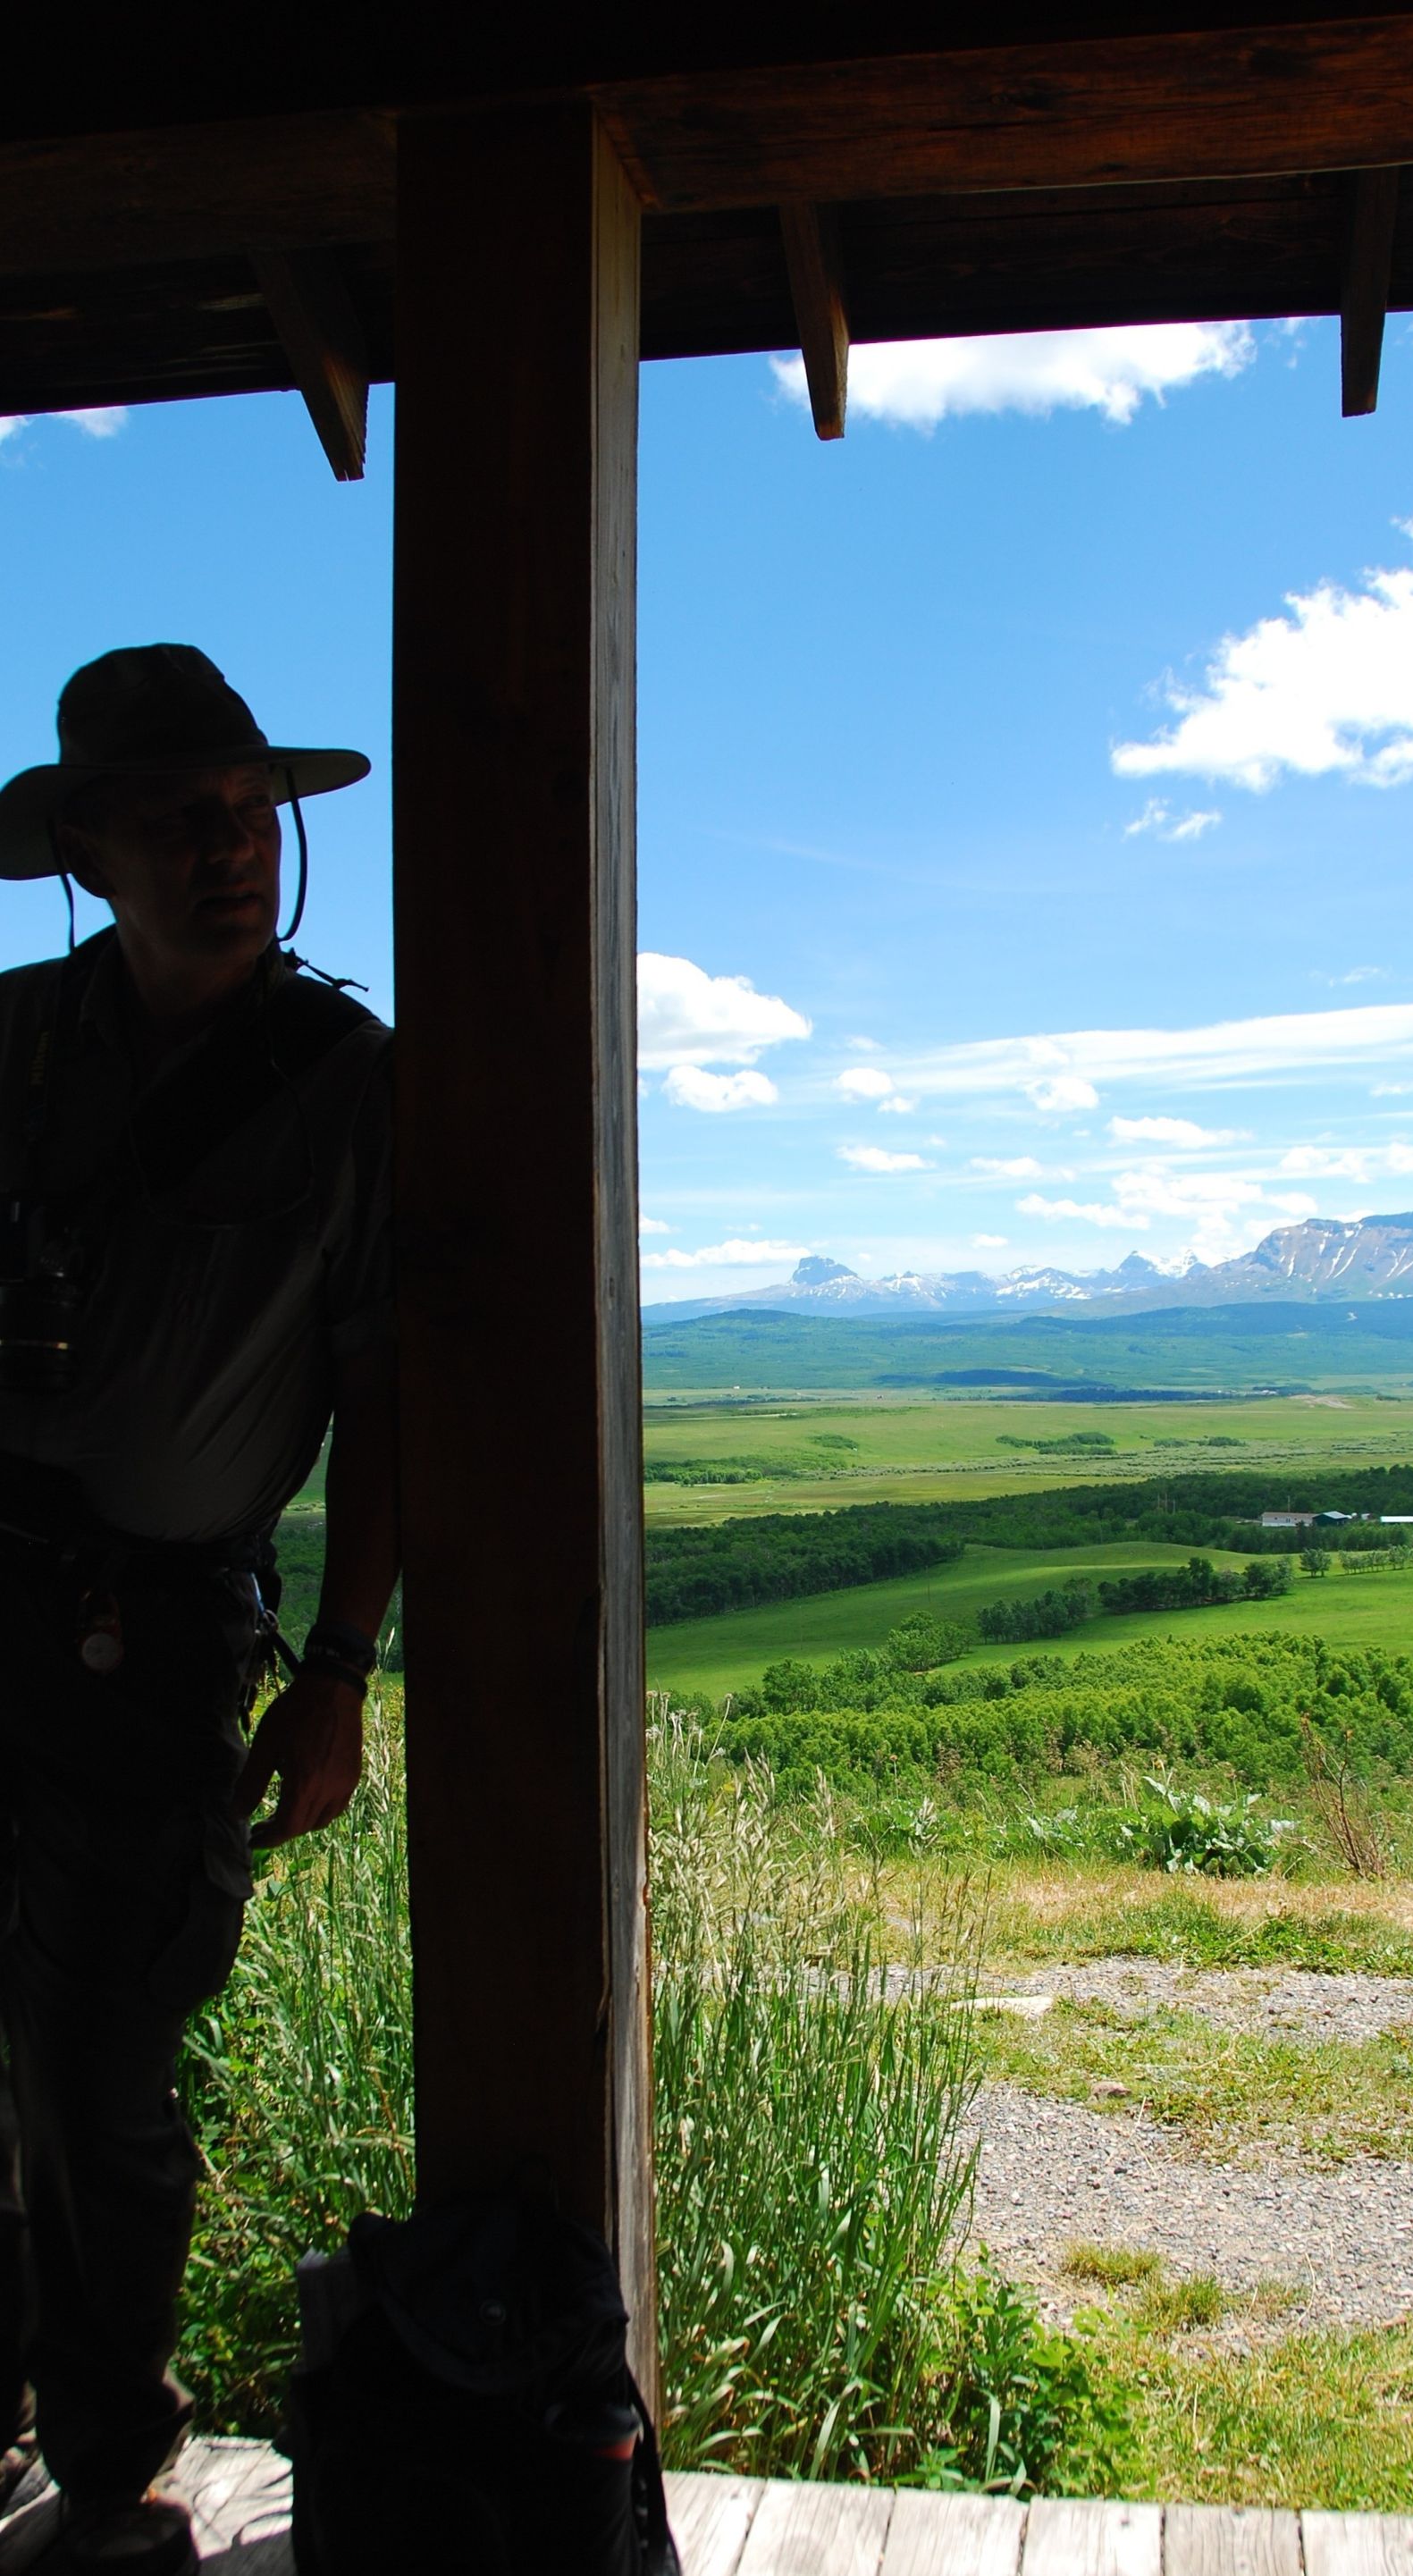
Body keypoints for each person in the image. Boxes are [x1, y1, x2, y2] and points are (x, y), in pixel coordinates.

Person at [0, 644, 398, 2575]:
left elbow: (388, 1393)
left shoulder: (343, 1087)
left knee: (99, 2060)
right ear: (90, 848)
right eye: (180, 820)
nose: (229, 851)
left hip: (161, 1645)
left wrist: (337, 1667)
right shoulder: (12, 1049)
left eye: (248, 815)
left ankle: (104, 2463)